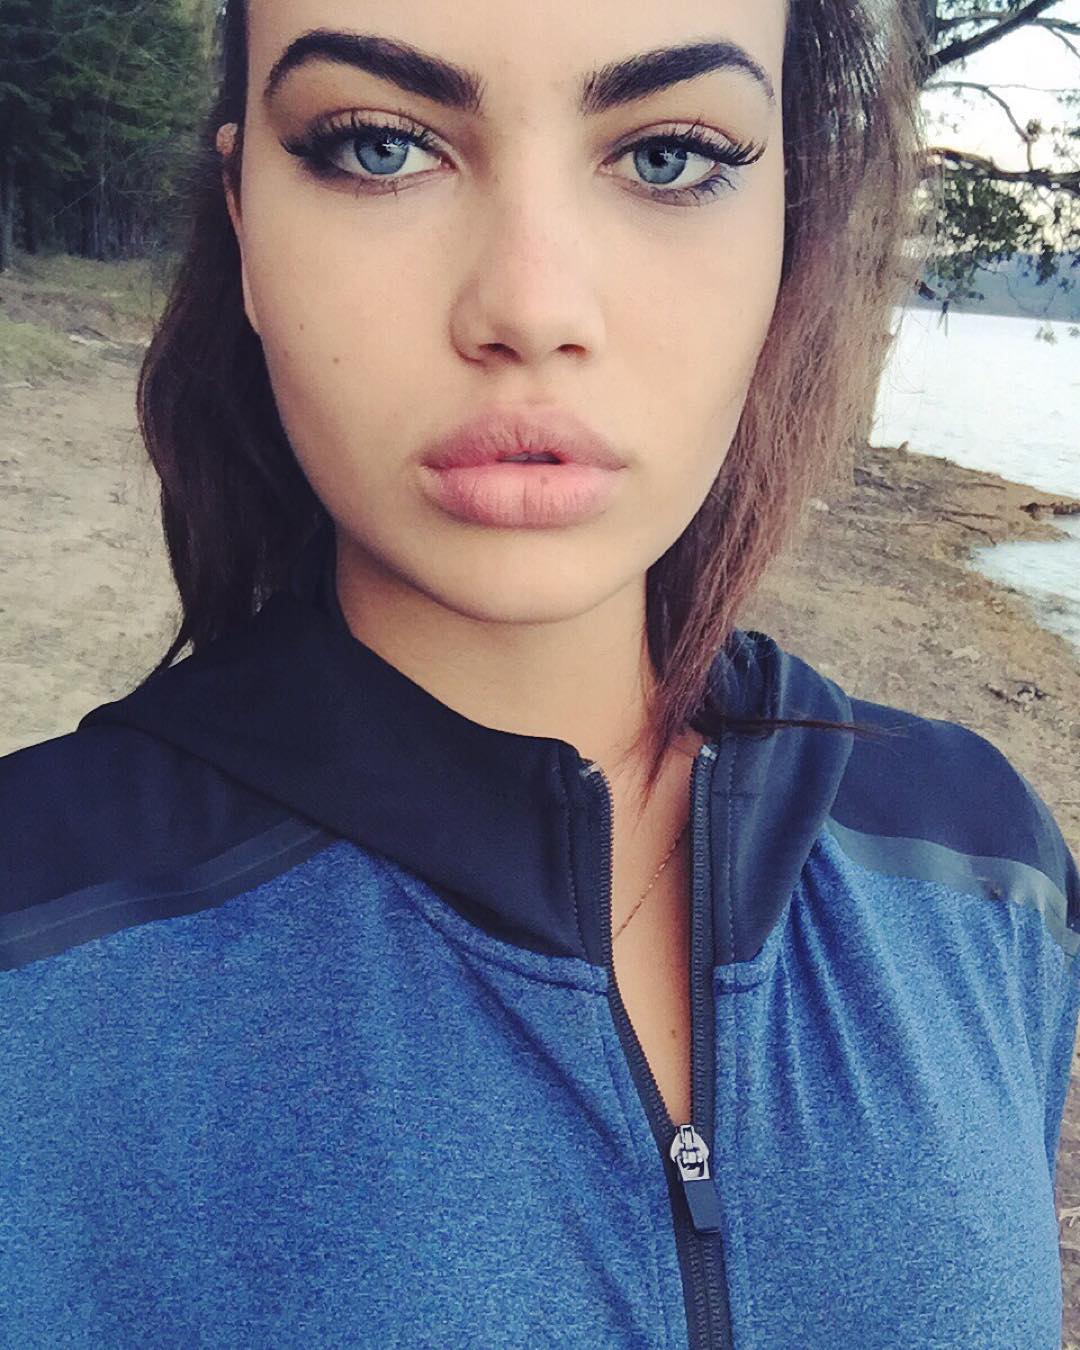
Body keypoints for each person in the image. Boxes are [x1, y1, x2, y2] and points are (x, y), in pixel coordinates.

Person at [2, 0, 1078, 1346]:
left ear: (788, 228)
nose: (529, 306)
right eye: (381, 145)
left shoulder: (985, 872)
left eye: (672, 156)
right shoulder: (34, 933)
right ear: (245, 226)